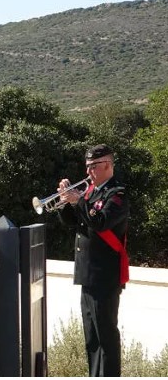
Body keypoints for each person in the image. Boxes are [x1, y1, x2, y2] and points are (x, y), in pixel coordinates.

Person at [57, 144, 129, 377]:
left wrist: (79, 201)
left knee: (106, 336)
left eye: (93, 167)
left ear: (107, 165)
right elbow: (72, 222)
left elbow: (100, 222)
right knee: (92, 337)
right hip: (88, 274)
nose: (88, 172)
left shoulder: (116, 194)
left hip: (105, 276)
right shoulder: (90, 193)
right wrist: (65, 200)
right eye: (87, 166)